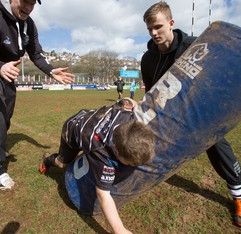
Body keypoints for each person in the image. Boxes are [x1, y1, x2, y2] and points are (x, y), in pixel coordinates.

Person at [141, 1, 241, 227]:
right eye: (149, 29)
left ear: (171, 23)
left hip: (198, 113)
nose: (154, 33)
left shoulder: (196, 45)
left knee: (216, 142)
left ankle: (240, 196)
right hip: (167, 115)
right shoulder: (147, 59)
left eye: (158, 26)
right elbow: (151, 90)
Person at [0, 0, 74, 190]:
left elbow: (35, 52)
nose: (28, 7)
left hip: (7, 74)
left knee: (5, 117)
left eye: (33, 3)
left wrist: (51, 70)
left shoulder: (28, 24)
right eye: (25, 0)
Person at [39, 98, 155, 234]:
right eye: (130, 164)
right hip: (73, 128)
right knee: (62, 163)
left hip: (90, 118)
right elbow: (103, 194)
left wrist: (136, 103)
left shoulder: (126, 113)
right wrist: (120, 230)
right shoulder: (101, 153)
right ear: (118, 154)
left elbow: (126, 100)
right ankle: (47, 159)